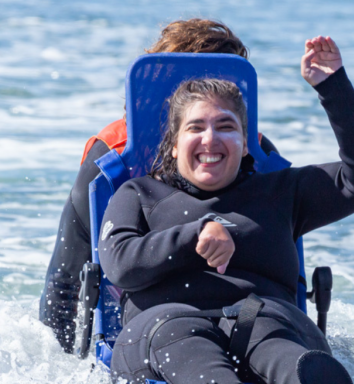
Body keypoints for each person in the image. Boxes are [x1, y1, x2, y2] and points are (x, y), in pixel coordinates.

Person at [98, 36, 354, 384]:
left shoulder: (281, 191)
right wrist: (195, 235)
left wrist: (332, 87)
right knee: (178, 331)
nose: (210, 139)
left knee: (275, 334)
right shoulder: (139, 193)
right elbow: (119, 264)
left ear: (246, 143)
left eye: (226, 127)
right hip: (164, 327)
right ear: (173, 144)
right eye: (195, 127)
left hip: (263, 318)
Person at [39, 19, 277, 353]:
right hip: (157, 319)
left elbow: (62, 284)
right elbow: (67, 283)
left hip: (240, 316)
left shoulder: (253, 152)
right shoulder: (111, 157)